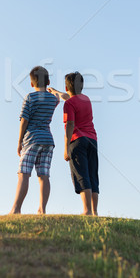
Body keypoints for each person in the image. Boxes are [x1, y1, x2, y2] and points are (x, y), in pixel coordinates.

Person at [9, 66, 59, 215]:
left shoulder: (30, 97)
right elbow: (57, 98)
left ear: (31, 84)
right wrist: (54, 91)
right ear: (48, 81)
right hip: (48, 140)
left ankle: (16, 209)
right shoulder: (52, 99)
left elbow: (24, 121)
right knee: (44, 176)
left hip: (32, 139)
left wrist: (19, 142)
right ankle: (42, 210)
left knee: (23, 174)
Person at [48, 72, 99, 216]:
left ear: (66, 86)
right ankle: (94, 211)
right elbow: (69, 96)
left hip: (77, 141)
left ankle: (86, 210)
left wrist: (66, 148)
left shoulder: (69, 104)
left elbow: (70, 124)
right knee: (92, 174)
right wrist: (55, 92)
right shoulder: (86, 99)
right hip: (92, 141)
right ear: (82, 86)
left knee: (82, 175)